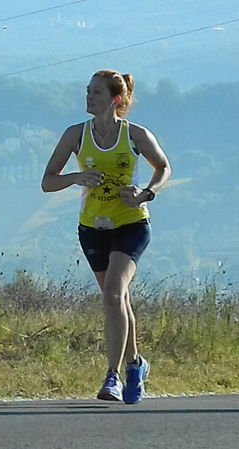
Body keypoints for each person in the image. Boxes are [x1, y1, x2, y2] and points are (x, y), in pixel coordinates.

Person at [41, 69, 171, 404]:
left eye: (96, 92)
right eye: (87, 90)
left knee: (113, 294)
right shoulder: (75, 135)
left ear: (115, 98)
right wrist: (77, 177)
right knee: (118, 300)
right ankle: (135, 364)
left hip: (131, 225)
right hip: (92, 228)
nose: (88, 97)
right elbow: (48, 181)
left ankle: (112, 377)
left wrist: (145, 193)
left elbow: (164, 167)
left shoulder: (136, 135)